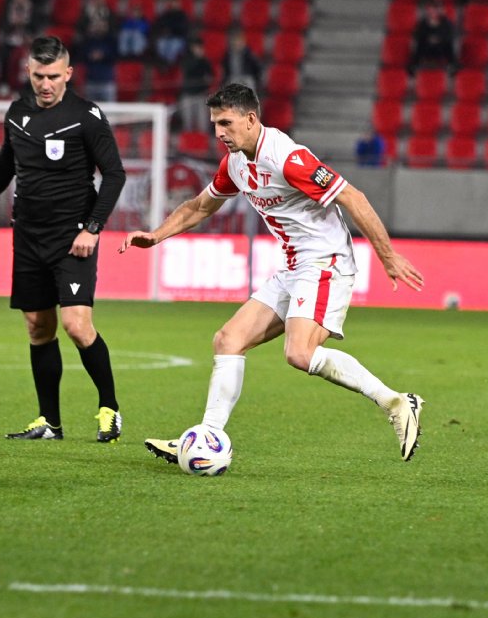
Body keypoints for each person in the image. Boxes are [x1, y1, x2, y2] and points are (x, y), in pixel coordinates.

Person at [121, 83, 426, 464]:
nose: (219, 132)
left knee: (300, 353)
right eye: (215, 124)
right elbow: (200, 207)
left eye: (226, 123)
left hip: (325, 261)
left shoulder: (287, 158)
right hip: (294, 266)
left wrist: (387, 256)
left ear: (251, 119)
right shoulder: (235, 163)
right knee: (228, 340)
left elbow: (353, 197)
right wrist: (156, 235)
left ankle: (396, 402)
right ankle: (207, 438)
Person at [0, 36, 127, 444]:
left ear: (68, 74)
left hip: (73, 238)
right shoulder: (18, 113)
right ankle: (49, 421)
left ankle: (109, 409)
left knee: (76, 325)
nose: (45, 84)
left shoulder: (86, 115)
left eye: (52, 76)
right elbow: (5, 166)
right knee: (38, 327)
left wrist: (93, 228)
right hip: (28, 236)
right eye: (38, 76)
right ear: (28, 73)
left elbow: (114, 174)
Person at [407, 0, 458, 74]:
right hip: (427, 48)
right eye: (432, 9)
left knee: (449, 44)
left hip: (441, 48)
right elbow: (417, 35)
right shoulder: (423, 23)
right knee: (419, 44)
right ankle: (414, 65)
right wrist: (428, 39)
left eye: (436, 9)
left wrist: (439, 39)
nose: (434, 12)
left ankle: (452, 65)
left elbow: (451, 35)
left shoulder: (447, 23)